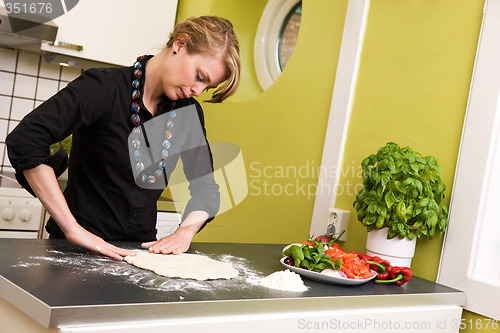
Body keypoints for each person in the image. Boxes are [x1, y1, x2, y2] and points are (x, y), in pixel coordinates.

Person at [6, 16, 241, 261]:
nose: (198, 91)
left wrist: (185, 232)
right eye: (200, 76)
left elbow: (206, 190)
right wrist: (72, 229)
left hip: (139, 256)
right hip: (74, 252)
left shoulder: (187, 112)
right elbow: (26, 141)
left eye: (207, 87)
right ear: (179, 45)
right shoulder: (103, 87)